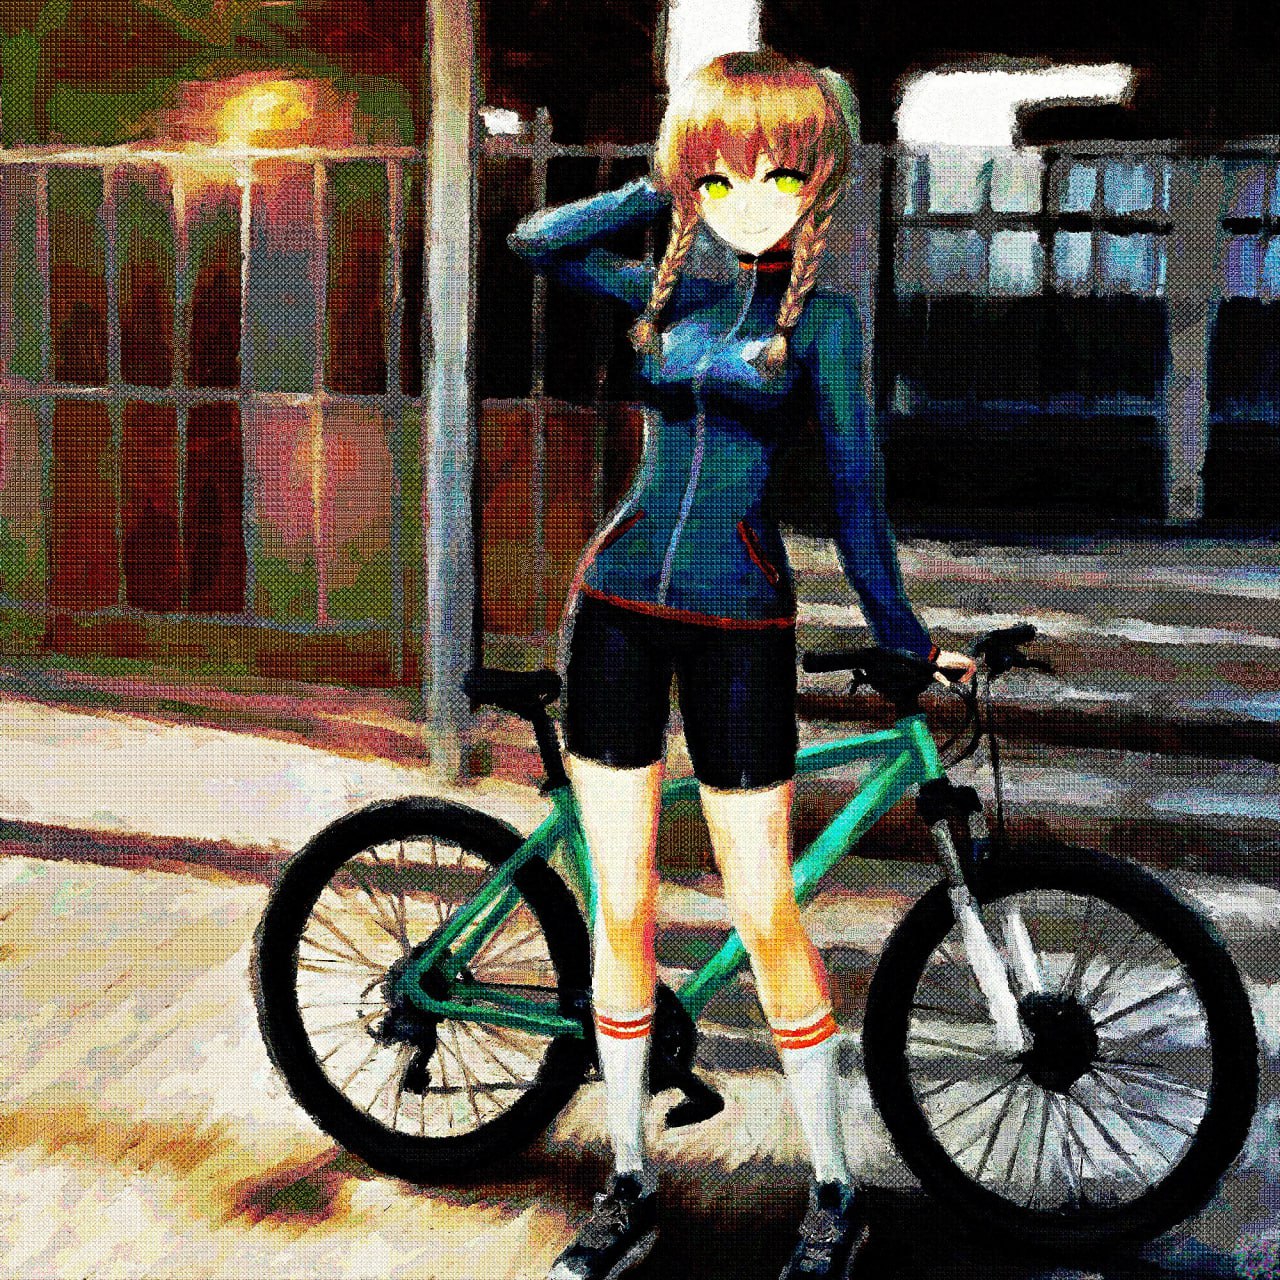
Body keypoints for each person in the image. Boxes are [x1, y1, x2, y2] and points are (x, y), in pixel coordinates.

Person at [508, 50, 975, 1280]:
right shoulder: (662, 293)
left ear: (820, 179)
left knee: (765, 910)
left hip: (740, 630)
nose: (748, 199)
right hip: (611, 613)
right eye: (721, 174)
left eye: (778, 172)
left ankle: (832, 1189)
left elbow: (859, 499)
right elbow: (535, 240)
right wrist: (666, 182)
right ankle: (626, 1179)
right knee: (620, 909)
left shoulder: (821, 323)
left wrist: (903, 636)